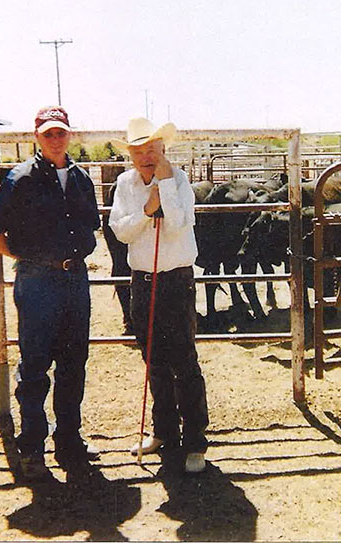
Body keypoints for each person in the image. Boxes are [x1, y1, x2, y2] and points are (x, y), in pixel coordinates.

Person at [0, 105, 101, 482]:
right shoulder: (20, 179)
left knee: (73, 364)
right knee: (34, 366)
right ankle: (32, 446)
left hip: (74, 280)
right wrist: (31, 257)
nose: (55, 139)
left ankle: (69, 441)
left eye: (61, 132)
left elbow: (91, 227)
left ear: (70, 135)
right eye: (48, 133)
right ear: (37, 136)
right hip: (36, 282)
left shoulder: (82, 179)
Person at [109, 117, 209, 473]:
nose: (145, 156)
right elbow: (120, 231)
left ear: (164, 150)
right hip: (143, 281)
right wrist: (147, 210)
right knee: (154, 361)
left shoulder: (180, 180)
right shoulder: (124, 184)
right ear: (131, 155)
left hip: (176, 281)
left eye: (151, 148)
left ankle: (196, 440)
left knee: (184, 361)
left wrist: (164, 188)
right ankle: (164, 431)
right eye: (138, 150)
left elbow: (179, 225)